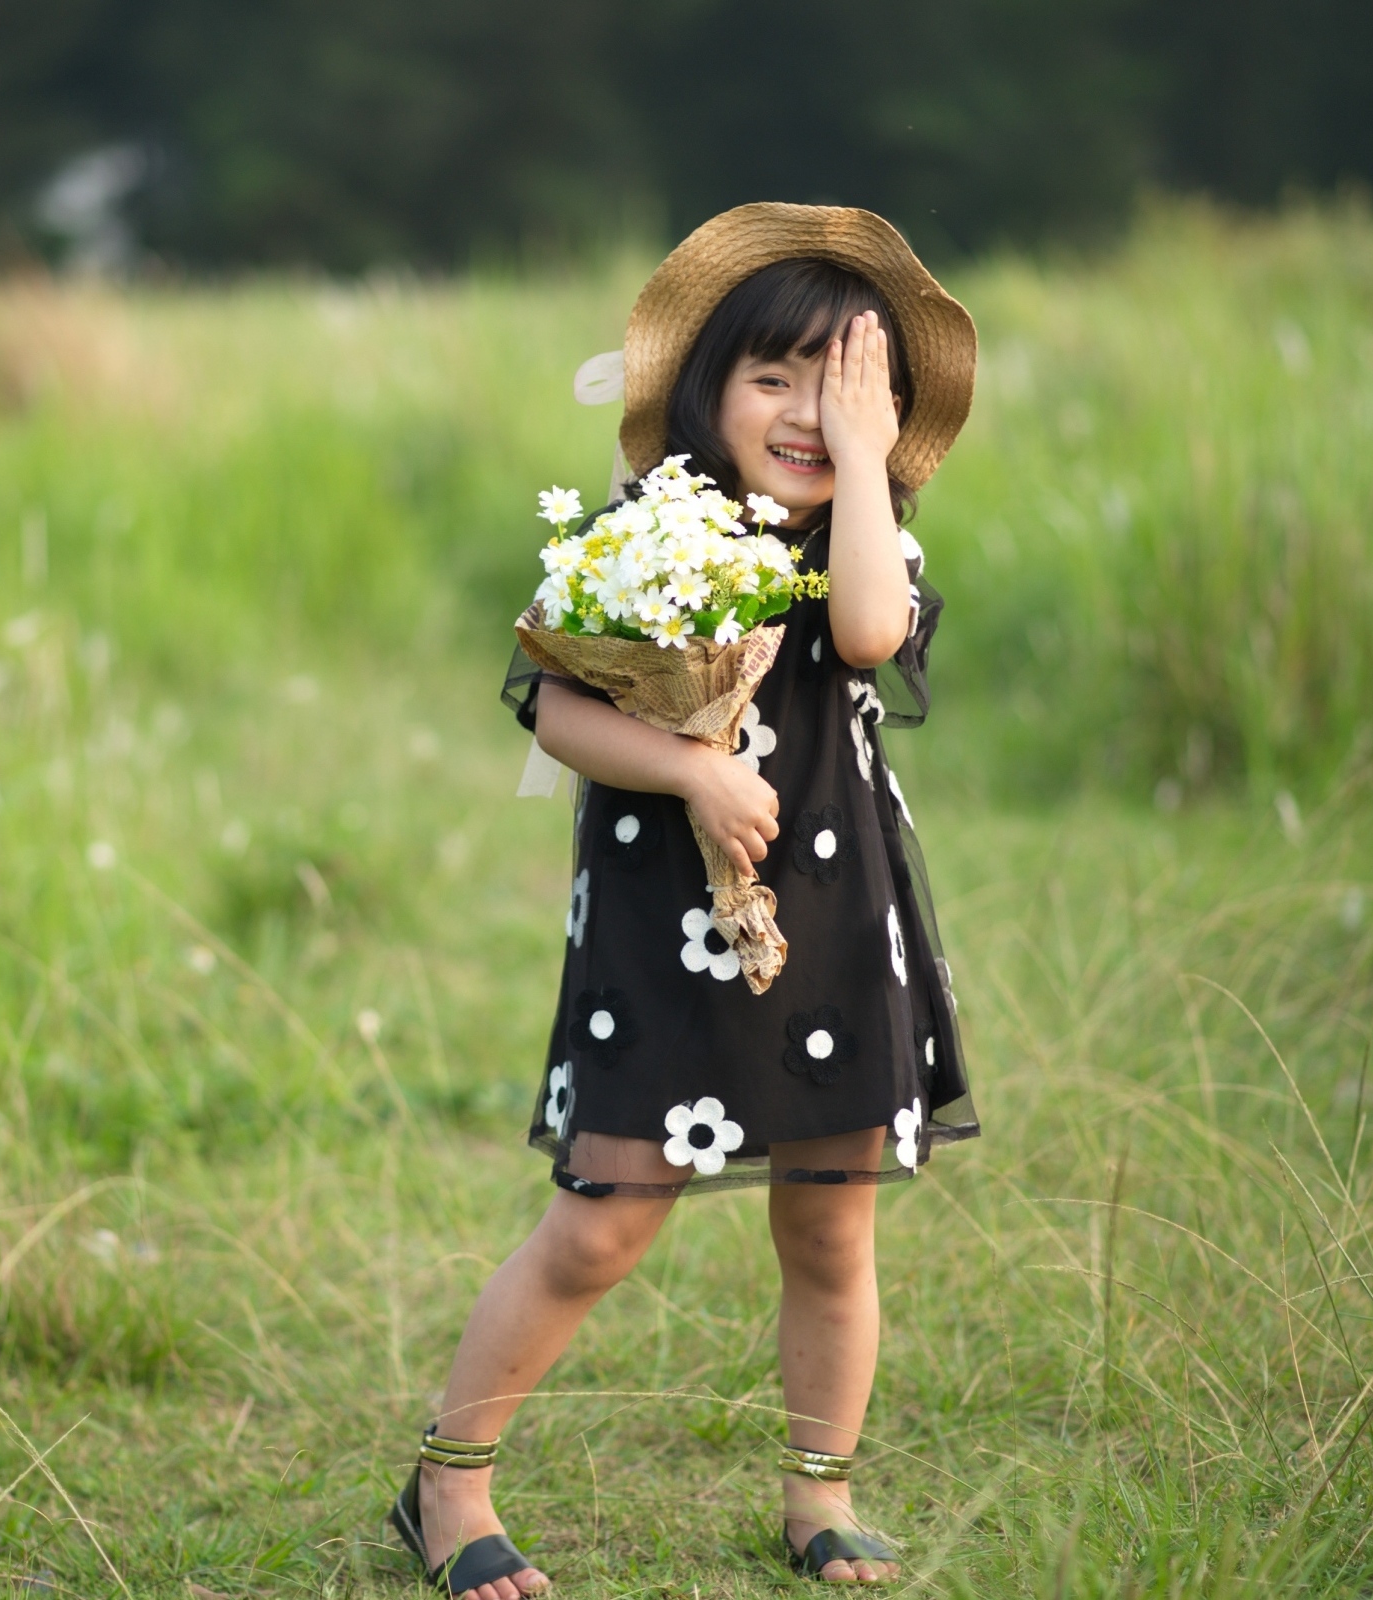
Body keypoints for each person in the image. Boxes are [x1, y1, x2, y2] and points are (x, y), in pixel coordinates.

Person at [387, 204, 982, 1596]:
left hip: (833, 922)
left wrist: (859, 465)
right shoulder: (653, 530)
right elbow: (554, 708)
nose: (805, 411)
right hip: (666, 924)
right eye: (776, 375)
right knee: (603, 1217)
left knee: (833, 1223)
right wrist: (691, 775)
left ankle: (819, 1492)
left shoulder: (862, 536)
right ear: (706, 387)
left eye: (849, 385)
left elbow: (869, 637)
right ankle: (448, 1485)